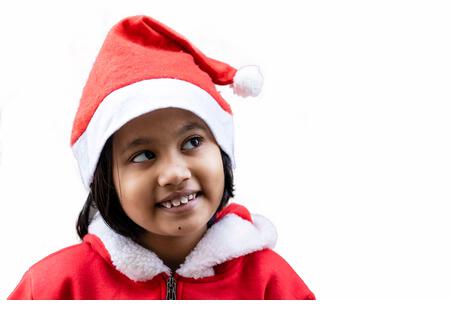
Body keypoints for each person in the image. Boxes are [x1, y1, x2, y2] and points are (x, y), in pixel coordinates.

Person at [8, 15, 315, 300]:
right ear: (105, 181)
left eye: (192, 141)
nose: (175, 173)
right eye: (143, 155)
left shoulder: (272, 285)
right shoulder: (54, 289)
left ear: (223, 151)